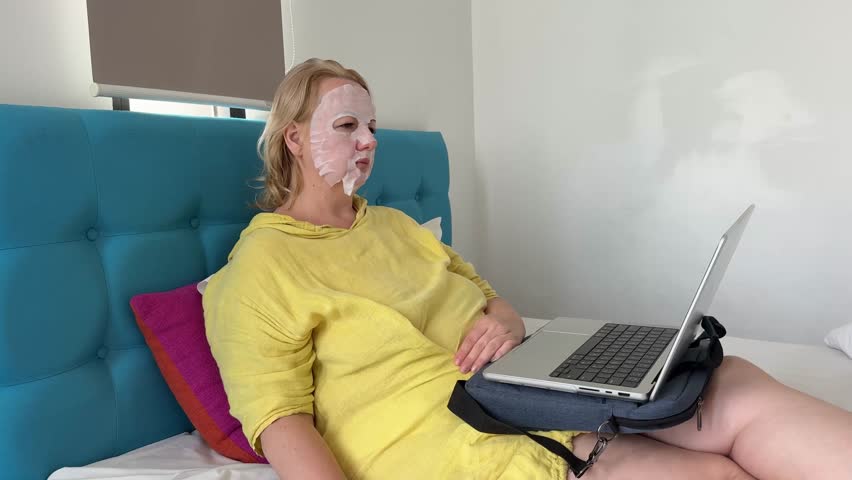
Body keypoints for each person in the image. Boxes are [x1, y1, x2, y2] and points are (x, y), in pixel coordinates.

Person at [202, 58, 852, 480]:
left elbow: (491, 300)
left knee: (731, 382)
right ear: (293, 138)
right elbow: (279, 419)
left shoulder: (394, 226)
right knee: (710, 474)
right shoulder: (262, 265)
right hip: (453, 431)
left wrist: (504, 324)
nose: (369, 141)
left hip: (522, 380)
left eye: (371, 125)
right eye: (347, 125)